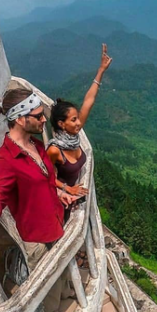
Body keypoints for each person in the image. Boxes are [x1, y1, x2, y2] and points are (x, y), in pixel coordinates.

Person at [0, 88, 76, 312]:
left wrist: (59, 193)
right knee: (48, 277)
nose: (44, 119)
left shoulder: (36, 145)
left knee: (64, 265)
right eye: (38, 116)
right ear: (20, 118)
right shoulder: (5, 160)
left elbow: (43, 180)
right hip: (37, 236)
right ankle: (52, 311)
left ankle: (66, 292)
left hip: (56, 222)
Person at [47, 43, 112, 199]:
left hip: (75, 196)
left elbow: (89, 100)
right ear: (62, 124)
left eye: (77, 119)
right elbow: (43, 176)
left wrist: (101, 70)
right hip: (61, 200)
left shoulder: (73, 136)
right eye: (74, 120)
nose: (78, 123)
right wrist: (67, 189)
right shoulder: (55, 150)